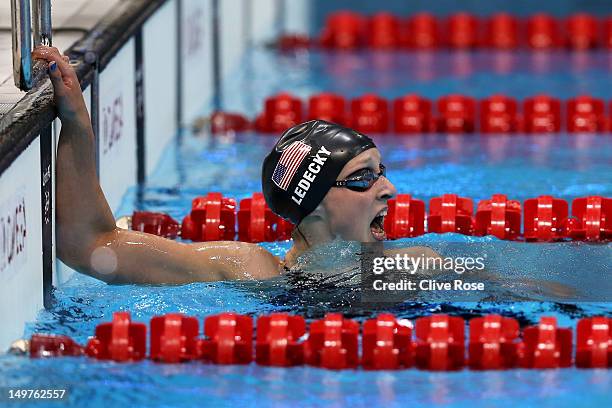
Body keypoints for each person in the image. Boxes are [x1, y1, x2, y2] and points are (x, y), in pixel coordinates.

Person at [33, 46, 435, 285]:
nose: (389, 188)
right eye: (363, 177)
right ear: (311, 201)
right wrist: (77, 125)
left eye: (380, 172)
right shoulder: (249, 270)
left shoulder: (416, 267)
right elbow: (90, 246)